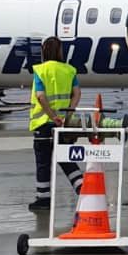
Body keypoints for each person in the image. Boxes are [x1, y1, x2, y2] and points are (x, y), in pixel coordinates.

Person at [28, 37, 84, 211]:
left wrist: (52, 116)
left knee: (43, 163)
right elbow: (77, 93)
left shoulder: (40, 70)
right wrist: (68, 114)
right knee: (66, 159)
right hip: (63, 124)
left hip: (44, 123)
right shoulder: (69, 70)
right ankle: (83, 189)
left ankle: (43, 199)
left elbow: (40, 96)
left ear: (44, 51)